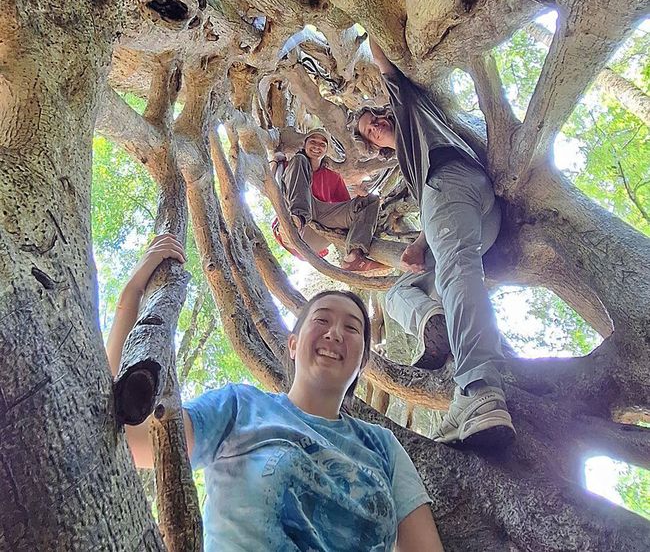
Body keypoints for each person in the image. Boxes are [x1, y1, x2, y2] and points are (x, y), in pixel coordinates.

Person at [106, 235, 445, 552]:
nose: (335, 334)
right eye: (321, 321)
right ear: (293, 345)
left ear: (363, 361)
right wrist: (132, 296)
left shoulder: (383, 446)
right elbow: (132, 437)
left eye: (352, 328)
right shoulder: (239, 407)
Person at [353, 38, 515, 448]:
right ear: (373, 146)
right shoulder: (410, 163)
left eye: (373, 117)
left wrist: (362, 4)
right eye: (368, 130)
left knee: (457, 269)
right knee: (400, 290)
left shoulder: (409, 113)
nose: (374, 124)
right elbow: (440, 204)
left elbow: (381, 57)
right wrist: (420, 243)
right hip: (476, 214)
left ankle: (478, 388)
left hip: (450, 186)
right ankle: (437, 331)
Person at [273, 127, 388, 274]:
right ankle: (298, 218)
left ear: (326, 150)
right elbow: (270, 183)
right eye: (313, 141)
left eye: (322, 144)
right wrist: (276, 160)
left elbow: (346, 209)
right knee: (299, 159)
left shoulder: (333, 177)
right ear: (304, 144)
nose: (317, 146)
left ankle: (355, 257)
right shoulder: (293, 165)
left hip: (320, 226)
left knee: (370, 200)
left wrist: (360, 198)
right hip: (295, 220)